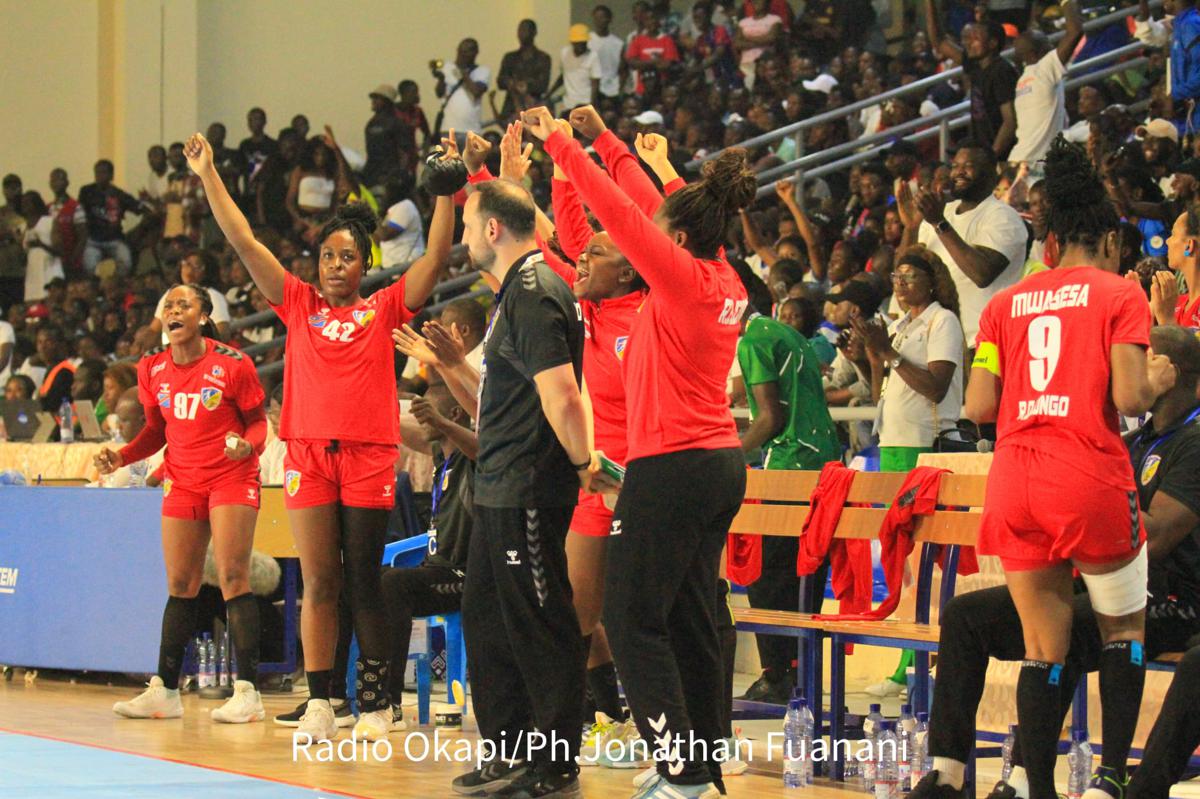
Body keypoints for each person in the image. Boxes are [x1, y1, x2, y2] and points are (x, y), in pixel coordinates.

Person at [185, 129, 454, 743]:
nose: (335, 266)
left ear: (365, 265)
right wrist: (208, 176)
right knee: (319, 582)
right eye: (328, 257)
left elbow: (436, 259)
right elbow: (244, 240)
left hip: (367, 458)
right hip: (307, 457)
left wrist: (445, 192)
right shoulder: (297, 303)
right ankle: (321, 701)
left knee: (363, 581)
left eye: (347, 257)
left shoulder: (383, 308)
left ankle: (377, 704)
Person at [531, 104, 752, 798]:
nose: (646, 234)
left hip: (672, 465)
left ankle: (680, 769)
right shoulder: (726, 277)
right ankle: (702, 764)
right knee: (689, 618)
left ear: (676, 240)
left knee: (629, 620)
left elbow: (621, 213)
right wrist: (607, 139)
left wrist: (564, 146)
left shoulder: (681, 278)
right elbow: (673, 207)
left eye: (662, 231)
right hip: (719, 463)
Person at [965, 138, 1178, 799]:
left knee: (1042, 647)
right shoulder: (1119, 294)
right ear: (1109, 239)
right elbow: (1130, 399)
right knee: (1123, 630)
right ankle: (1110, 780)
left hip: (1014, 480)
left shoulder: (1003, 305)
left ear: (1051, 240)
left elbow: (978, 406)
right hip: (1085, 476)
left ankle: (1039, 790)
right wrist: (1158, 376)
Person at [912, 323, 1200, 799]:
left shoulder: (1193, 441)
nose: (1122, 370)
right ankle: (947, 774)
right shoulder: (1137, 440)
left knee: (1064, 625)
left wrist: (1083, 502)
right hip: (1103, 582)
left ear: (1169, 371)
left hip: (1172, 600)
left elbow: (1156, 537)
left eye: (1139, 358)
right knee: (967, 617)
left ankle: (1039, 780)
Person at [404, 173, 610, 799]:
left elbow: (563, 394)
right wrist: (451, 366)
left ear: (493, 229)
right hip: (497, 487)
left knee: (541, 623)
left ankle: (556, 760)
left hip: (529, 489)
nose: (464, 237)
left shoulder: (536, 291)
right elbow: (499, 399)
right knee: (488, 620)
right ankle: (509, 751)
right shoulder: (512, 294)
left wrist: (583, 463)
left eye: (468, 225)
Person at [95, 284, 268, 724]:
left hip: (231, 476)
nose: (173, 311)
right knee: (180, 582)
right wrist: (122, 456)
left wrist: (246, 447)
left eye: (183, 305)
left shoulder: (233, 364)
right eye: (168, 305)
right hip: (183, 480)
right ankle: (165, 691)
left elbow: (258, 424)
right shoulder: (151, 367)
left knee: (232, 576)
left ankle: (248, 693)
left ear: (203, 316)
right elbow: (156, 432)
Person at [736, 307, 840, 705]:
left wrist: (729, 456)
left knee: (766, 574)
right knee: (804, 572)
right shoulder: (786, 333)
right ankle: (801, 674)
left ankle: (776, 676)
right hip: (822, 463)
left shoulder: (753, 340)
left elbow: (770, 418)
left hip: (791, 463)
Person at [381, 379, 476, 718]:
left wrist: (439, 422)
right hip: (433, 573)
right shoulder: (442, 455)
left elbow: (481, 447)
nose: (422, 422)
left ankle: (389, 701)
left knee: (394, 584)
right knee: (364, 582)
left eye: (429, 414)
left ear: (454, 414)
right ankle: (346, 695)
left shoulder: (471, 458)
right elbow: (406, 431)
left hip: (463, 576)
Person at [900, 142, 1028, 352]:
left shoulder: (1003, 216)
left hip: (984, 342)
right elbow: (905, 276)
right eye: (955, 166)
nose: (958, 172)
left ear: (992, 172)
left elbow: (982, 274)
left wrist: (939, 223)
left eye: (968, 166)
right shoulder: (941, 211)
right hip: (940, 344)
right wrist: (911, 228)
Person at [1008, 0, 1084, 167]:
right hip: (1035, 164)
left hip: (1019, 159)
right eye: (1047, 43)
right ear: (1036, 53)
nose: (1053, 46)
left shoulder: (1023, 80)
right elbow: (1075, 31)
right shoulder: (1044, 69)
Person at [78, 160, 144, 276]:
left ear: (111, 175)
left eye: (104, 172)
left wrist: (136, 231)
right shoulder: (86, 191)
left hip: (115, 239)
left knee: (126, 264)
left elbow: (140, 209)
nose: (100, 176)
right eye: (97, 173)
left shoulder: (119, 194)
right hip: (93, 240)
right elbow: (79, 214)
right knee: (89, 267)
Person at [152, 249, 231, 343]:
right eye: (187, 264)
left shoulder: (214, 296)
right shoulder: (171, 294)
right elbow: (154, 329)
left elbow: (223, 333)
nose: (190, 270)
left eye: (197, 266)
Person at [1154, 209, 1200, 328]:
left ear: (1189, 246)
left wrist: (1167, 321)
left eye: (1173, 234)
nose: (1167, 241)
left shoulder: (1169, 310)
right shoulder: (1175, 303)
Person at [434, 39, 490, 136]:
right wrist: (441, 79)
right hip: (448, 128)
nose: (462, 55)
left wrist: (463, 73)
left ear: (475, 53)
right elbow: (439, 94)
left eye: (467, 52)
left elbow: (476, 92)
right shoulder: (447, 68)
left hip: (472, 129)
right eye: (461, 51)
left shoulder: (482, 71)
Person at [498, 20, 552, 119]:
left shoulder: (543, 58)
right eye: (520, 30)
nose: (521, 33)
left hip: (533, 107)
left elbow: (543, 85)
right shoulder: (510, 57)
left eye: (525, 30)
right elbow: (500, 81)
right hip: (511, 108)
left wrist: (526, 86)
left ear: (534, 32)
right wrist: (511, 83)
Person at [21, 192, 65, 303]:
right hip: (33, 274)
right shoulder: (23, 227)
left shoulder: (49, 222)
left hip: (49, 270)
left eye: (28, 202)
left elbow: (60, 251)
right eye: (23, 203)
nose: (25, 205)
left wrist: (41, 245)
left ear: (36, 203)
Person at [374, 172, 425, 269]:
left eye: (387, 188)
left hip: (408, 266)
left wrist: (371, 215)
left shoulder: (405, 206)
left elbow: (384, 235)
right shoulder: (392, 210)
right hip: (393, 268)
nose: (384, 193)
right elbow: (377, 241)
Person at [363, 84, 406, 190]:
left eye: (377, 98)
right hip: (371, 174)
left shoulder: (396, 123)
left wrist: (395, 175)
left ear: (387, 102)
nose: (373, 101)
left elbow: (404, 153)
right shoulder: (371, 123)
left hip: (388, 175)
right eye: (373, 98)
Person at [47, 168, 86, 274]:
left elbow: (82, 237)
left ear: (67, 182)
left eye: (59, 179)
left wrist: (73, 259)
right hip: (51, 263)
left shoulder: (76, 207)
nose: (56, 183)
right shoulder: (47, 208)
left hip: (70, 263)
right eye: (53, 180)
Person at [555, 24, 602, 110]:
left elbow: (595, 83)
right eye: (578, 43)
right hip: (568, 104)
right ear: (572, 42)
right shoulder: (564, 53)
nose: (581, 46)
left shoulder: (593, 56)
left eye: (583, 43)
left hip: (585, 103)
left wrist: (592, 105)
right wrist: (549, 94)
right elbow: (563, 76)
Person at [590, 5, 625, 103]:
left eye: (602, 17)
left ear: (609, 19)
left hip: (612, 90)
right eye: (596, 18)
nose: (599, 21)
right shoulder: (588, 41)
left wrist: (620, 88)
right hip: (592, 90)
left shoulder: (618, 44)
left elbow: (623, 70)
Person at [238, 107, 277, 190]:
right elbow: (240, 168)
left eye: (257, 119)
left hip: (269, 191)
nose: (254, 122)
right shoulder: (244, 145)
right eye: (250, 120)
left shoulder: (273, 145)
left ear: (264, 121)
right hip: (248, 191)